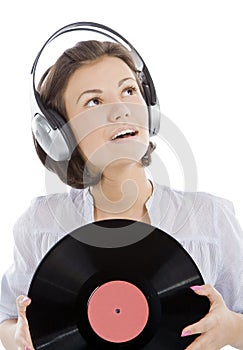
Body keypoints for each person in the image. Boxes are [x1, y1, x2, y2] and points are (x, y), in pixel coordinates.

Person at [0, 30, 243, 350]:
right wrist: (18, 340)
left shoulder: (210, 218)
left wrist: (232, 330)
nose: (120, 110)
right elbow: (6, 315)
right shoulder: (39, 223)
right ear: (59, 137)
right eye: (94, 101)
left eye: (128, 90)